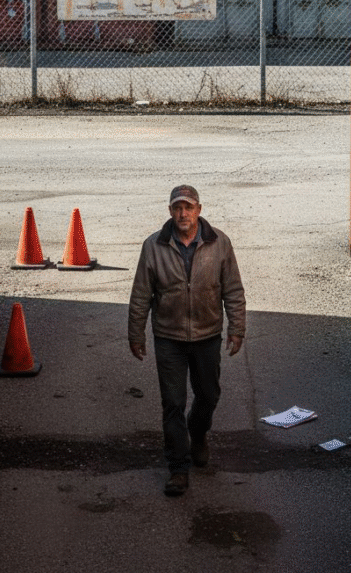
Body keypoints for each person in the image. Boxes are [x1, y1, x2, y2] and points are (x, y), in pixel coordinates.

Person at [128, 184, 246, 496]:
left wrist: (237, 328)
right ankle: (178, 469)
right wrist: (135, 333)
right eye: (177, 208)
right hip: (169, 337)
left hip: (208, 334)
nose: (183, 213)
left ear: (199, 210)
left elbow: (233, 289)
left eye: (188, 207)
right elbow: (141, 295)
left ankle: (198, 432)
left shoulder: (219, 243)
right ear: (170, 211)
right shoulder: (153, 246)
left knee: (208, 396)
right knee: (173, 404)